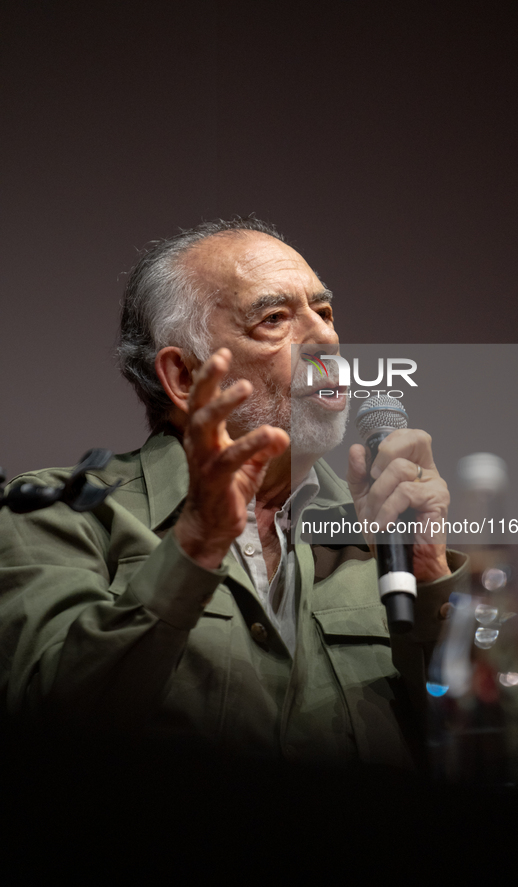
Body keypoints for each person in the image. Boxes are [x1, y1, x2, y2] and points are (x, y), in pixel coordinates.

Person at [0, 217, 467, 769]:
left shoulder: (381, 531)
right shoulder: (56, 513)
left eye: (325, 312)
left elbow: (486, 751)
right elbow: (52, 724)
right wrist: (193, 549)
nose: (326, 340)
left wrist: (428, 570)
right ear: (184, 377)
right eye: (274, 319)